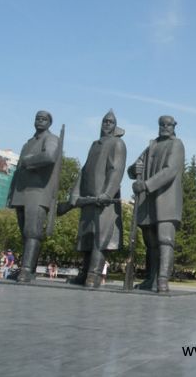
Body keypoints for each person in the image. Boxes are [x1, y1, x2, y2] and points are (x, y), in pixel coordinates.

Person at [65, 110, 126, 288]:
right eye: (104, 121)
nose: (106, 124)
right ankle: (84, 272)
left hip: (104, 201)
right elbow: (84, 170)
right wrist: (75, 193)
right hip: (88, 199)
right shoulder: (95, 144)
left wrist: (107, 193)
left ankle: (94, 274)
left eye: (110, 122)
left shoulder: (117, 143)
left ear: (115, 126)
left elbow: (116, 170)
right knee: (87, 237)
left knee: (101, 238)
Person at [128, 115, 185, 293]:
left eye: (168, 124)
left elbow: (170, 170)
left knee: (165, 240)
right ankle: (151, 278)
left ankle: (162, 280)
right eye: (162, 124)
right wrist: (133, 170)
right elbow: (134, 168)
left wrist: (146, 185)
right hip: (149, 203)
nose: (165, 127)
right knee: (150, 243)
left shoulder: (176, 144)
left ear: (174, 126)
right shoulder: (151, 146)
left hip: (167, 201)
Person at [6, 111, 62, 282]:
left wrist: (28, 161)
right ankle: (26, 268)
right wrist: (11, 194)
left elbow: (49, 156)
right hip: (21, 192)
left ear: (50, 123)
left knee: (32, 231)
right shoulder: (28, 143)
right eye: (38, 118)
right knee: (24, 233)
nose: (40, 121)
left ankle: (27, 269)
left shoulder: (51, 139)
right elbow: (18, 170)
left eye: (44, 119)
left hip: (38, 192)